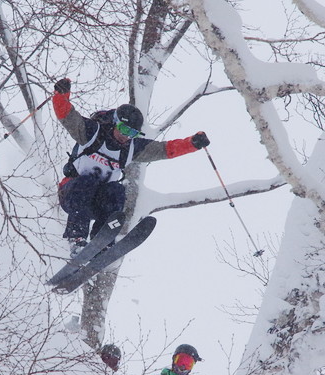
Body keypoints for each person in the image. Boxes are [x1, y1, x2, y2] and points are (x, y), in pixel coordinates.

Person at [52, 78, 211, 255]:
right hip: (72, 195)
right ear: (115, 122)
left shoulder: (131, 148)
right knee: (88, 182)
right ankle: (77, 239)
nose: (127, 137)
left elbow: (164, 150)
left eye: (133, 133)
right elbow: (67, 116)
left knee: (117, 190)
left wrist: (193, 143)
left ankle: (101, 242)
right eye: (125, 130)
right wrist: (61, 94)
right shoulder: (91, 132)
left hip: (97, 204)